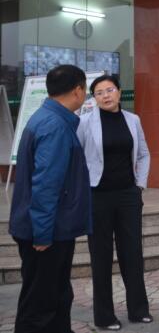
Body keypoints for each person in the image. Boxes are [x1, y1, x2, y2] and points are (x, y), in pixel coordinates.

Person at [9, 64, 92, 333]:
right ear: (78, 90)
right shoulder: (55, 126)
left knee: (56, 295)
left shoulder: (48, 118)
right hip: (47, 232)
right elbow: (46, 184)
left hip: (50, 227)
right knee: (41, 305)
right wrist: (42, 233)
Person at [76, 75, 153, 330]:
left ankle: (138, 310)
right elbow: (77, 158)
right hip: (97, 196)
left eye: (109, 90)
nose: (105, 96)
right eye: (99, 92)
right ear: (94, 98)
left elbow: (143, 153)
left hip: (128, 195)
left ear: (119, 92)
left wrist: (139, 184)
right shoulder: (85, 122)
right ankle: (104, 316)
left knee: (132, 253)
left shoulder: (133, 119)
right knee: (101, 256)